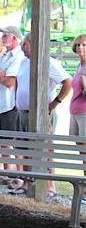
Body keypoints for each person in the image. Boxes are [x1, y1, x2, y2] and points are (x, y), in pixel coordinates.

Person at [14, 34, 72, 197]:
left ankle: (50, 185)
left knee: (46, 149)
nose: (22, 48)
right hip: (23, 112)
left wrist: (54, 103)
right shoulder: (24, 62)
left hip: (41, 115)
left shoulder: (49, 62)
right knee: (24, 148)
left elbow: (67, 82)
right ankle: (26, 182)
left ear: (34, 45)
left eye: (24, 44)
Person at [0, 26, 25, 182]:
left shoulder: (19, 56)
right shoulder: (2, 56)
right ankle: (5, 174)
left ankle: (19, 174)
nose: (3, 38)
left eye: (6, 35)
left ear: (15, 38)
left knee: (14, 142)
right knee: (1, 141)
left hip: (12, 104)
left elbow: (10, 81)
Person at [69, 34, 86, 180]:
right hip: (74, 111)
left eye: (84, 45)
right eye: (79, 45)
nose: (80, 47)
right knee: (81, 150)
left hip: (84, 112)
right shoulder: (79, 66)